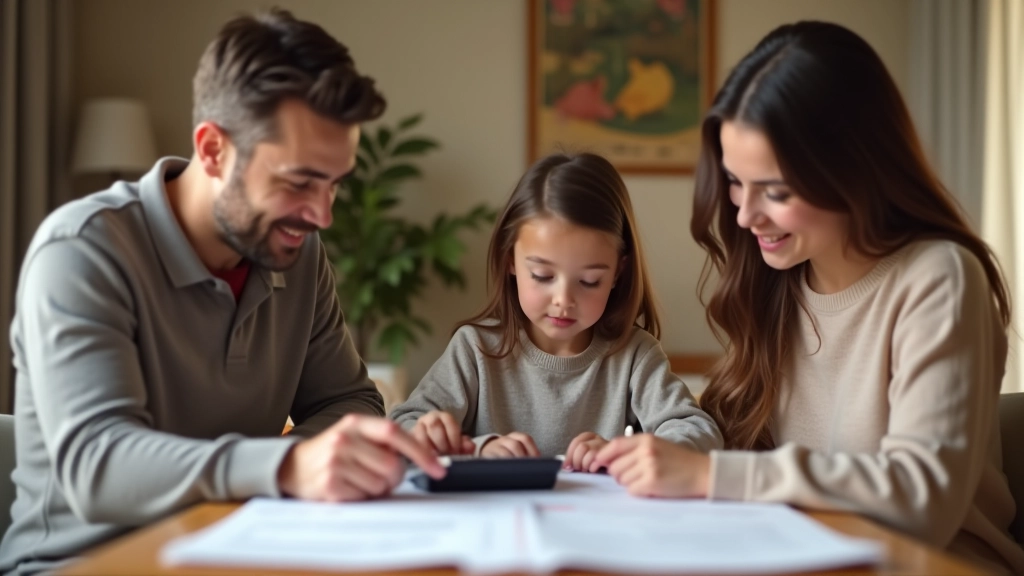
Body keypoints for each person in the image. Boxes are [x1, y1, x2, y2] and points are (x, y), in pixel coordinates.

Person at [0, 9, 445, 575]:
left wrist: (320, 463)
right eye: (299, 181)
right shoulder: (81, 251)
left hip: (240, 550)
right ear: (212, 150)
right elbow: (96, 464)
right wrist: (287, 466)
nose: (323, 215)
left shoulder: (299, 255)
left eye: (334, 184)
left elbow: (347, 402)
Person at [591, 21, 1024, 573]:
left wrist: (709, 475)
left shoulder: (939, 278)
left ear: (854, 168)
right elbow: (731, 447)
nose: (746, 216)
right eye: (734, 182)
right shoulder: (779, 282)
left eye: (776, 191)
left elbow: (924, 501)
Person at [390, 153, 722, 467]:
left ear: (618, 274)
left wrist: (626, 452)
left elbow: (701, 433)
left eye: (590, 281)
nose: (563, 299)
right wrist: (477, 449)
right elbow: (403, 426)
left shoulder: (634, 355)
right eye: (543, 276)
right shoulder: (474, 348)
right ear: (510, 261)